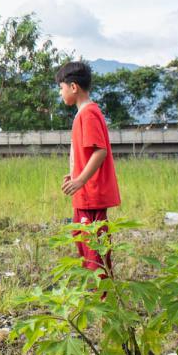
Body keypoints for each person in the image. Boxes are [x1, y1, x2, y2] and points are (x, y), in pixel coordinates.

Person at [56, 61, 121, 276]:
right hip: (83, 194)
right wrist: (75, 174)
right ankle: (93, 293)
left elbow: (99, 151)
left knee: (95, 251)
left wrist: (81, 179)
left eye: (61, 88)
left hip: (90, 194)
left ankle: (101, 297)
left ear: (73, 87)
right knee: (83, 242)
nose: (60, 93)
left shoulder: (88, 113)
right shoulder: (84, 113)